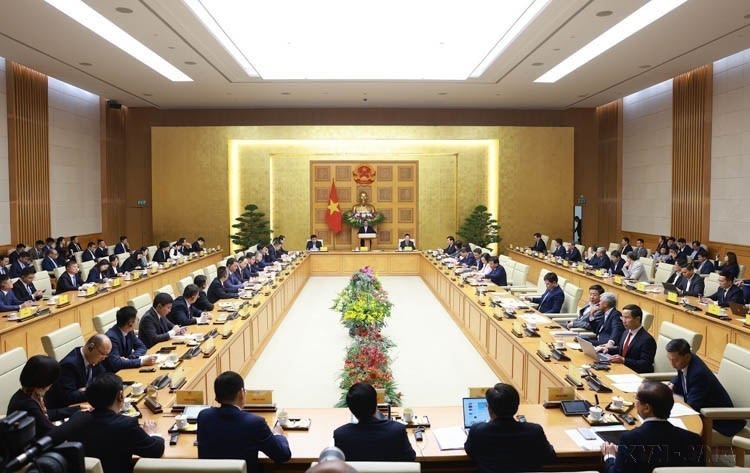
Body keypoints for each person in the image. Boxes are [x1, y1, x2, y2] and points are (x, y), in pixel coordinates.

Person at [52, 373, 164, 473]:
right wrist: (152, 433)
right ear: (120, 395)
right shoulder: (126, 425)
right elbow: (155, 451)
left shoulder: (76, 420)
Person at [601, 381, 704, 473]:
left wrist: (609, 457)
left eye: (636, 399)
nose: (635, 402)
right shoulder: (693, 439)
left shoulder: (630, 439)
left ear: (646, 408)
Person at [197, 371, 290, 472]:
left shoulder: (204, 416)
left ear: (216, 397)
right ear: (241, 393)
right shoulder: (255, 423)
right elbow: (282, 455)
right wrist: (278, 434)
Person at [465, 383, 555, 473]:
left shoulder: (477, 431)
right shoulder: (534, 431)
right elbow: (549, 455)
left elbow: (470, 452)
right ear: (517, 407)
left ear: (489, 409)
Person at [666, 338, 746, 437]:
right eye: (669, 359)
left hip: (718, 420)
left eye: (675, 360)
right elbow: (681, 375)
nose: (672, 364)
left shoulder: (699, 374)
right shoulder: (686, 360)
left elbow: (692, 407)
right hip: (701, 409)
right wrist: (672, 384)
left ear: (687, 357)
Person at [333, 382, 415, 462]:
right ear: (376, 403)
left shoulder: (341, 435)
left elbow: (339, 464)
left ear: (351, 408)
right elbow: (410, 458)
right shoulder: (397, 430)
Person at [7, 355, 79, 439]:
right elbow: (53, 432)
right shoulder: (27, 405)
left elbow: (46, 414)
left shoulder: (31, 393)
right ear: (44, 382)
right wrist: (78, 421)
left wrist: (77, 409)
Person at [45, 334, 111, 409]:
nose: (104, 358)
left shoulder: (93, 358)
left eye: (106, 355)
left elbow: (103, 378)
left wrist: (88, 388)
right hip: (64, 409)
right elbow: (68, 397)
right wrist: (92, 391)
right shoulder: (69, 365)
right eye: (102, 354)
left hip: (83, 403)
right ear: (91, 347)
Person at [598, 304, 656, 373]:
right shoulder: (626, 332)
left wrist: (624, 360)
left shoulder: (647, 340)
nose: (623, 321)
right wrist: (607, 349)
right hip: (620, 369)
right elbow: (622, 350)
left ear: (637, 319)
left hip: (635, 373)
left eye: (627, 318)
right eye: (622, 317)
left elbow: (645, 364)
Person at [104, 306, 156, 372]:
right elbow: (116, 363)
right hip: (115, 372)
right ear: (130, 323)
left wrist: (130, 358)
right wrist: (142, 361)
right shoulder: (111, 337)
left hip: (126, 367)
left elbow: (142, 347)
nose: (138, 319)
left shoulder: (129, 331)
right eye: (137, 319)